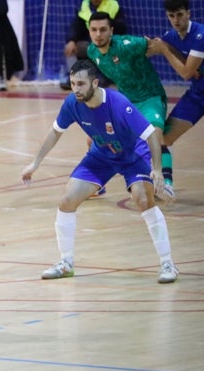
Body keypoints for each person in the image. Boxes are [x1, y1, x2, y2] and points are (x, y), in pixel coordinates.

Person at [21, 59, 179, 284]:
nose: (76, 89)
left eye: (81, 84)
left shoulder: (118, 104)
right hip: (101, 156)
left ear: (95, 83)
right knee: (67, 200)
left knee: (143, 199)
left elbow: (152, 134)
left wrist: (157, 170)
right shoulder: (72, 104)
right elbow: (56, 132)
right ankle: (66, 263)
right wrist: (35, 163)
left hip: (133, 155)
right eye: (73, 83)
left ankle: (167, 263)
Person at [85, 11, 175, 202]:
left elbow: (156, 45)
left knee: (155, 137)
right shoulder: (92, 52)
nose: (98, 34)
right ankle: (97, 183)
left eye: (103, 30)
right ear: (89, 31)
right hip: (126, 102)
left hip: (150, 96)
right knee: (94, 138)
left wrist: (162, 51)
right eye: (94, 30)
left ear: (111, 31)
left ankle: (165, 183)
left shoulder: (128, 44)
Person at [147, 0, 204, 179]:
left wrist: (164, 49)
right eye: (171, 16)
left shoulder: (200, 34)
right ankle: (167, 185)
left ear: (189, 13)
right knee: (163, 138)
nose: (176, 20)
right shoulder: (170, 36)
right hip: (198, 94)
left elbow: (186, 73)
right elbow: (150, 49)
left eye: (179, 14)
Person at [60, 0, 126, 90]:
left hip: (108, 43)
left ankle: (101, 76)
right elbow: (76, 26)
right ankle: (74, 77)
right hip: (89, 43)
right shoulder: (84, 6)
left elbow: (122, 28)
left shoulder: (113, 6)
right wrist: (71, 40)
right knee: (71, 47)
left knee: (103, 49)